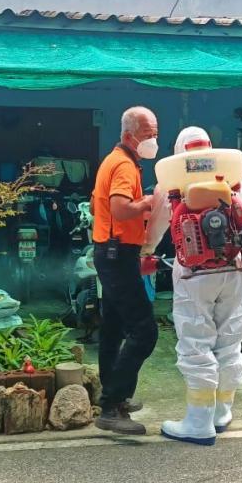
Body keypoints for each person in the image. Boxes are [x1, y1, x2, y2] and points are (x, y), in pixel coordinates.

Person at [143, 126, 242, 445]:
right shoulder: (235, 178)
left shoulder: (170, 182)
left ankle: (198, 422)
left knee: (196, 343)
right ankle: (221, 413)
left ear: (179, 151)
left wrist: (146, 252)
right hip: (235, 267)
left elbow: (155, 229)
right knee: (230, 341)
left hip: (193, 274)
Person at [91, 106, 160, 435]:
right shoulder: (123, 165)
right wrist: (148, 202)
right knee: (144, 331)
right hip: (116, 254)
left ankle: (112, 398)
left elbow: (98, 206)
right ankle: (112, 403)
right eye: (148, 135)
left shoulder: (114, 160)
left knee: (113, 329)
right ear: (129, 135)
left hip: (114, 251)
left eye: (156, 134)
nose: (153, 140)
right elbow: (119, 209)